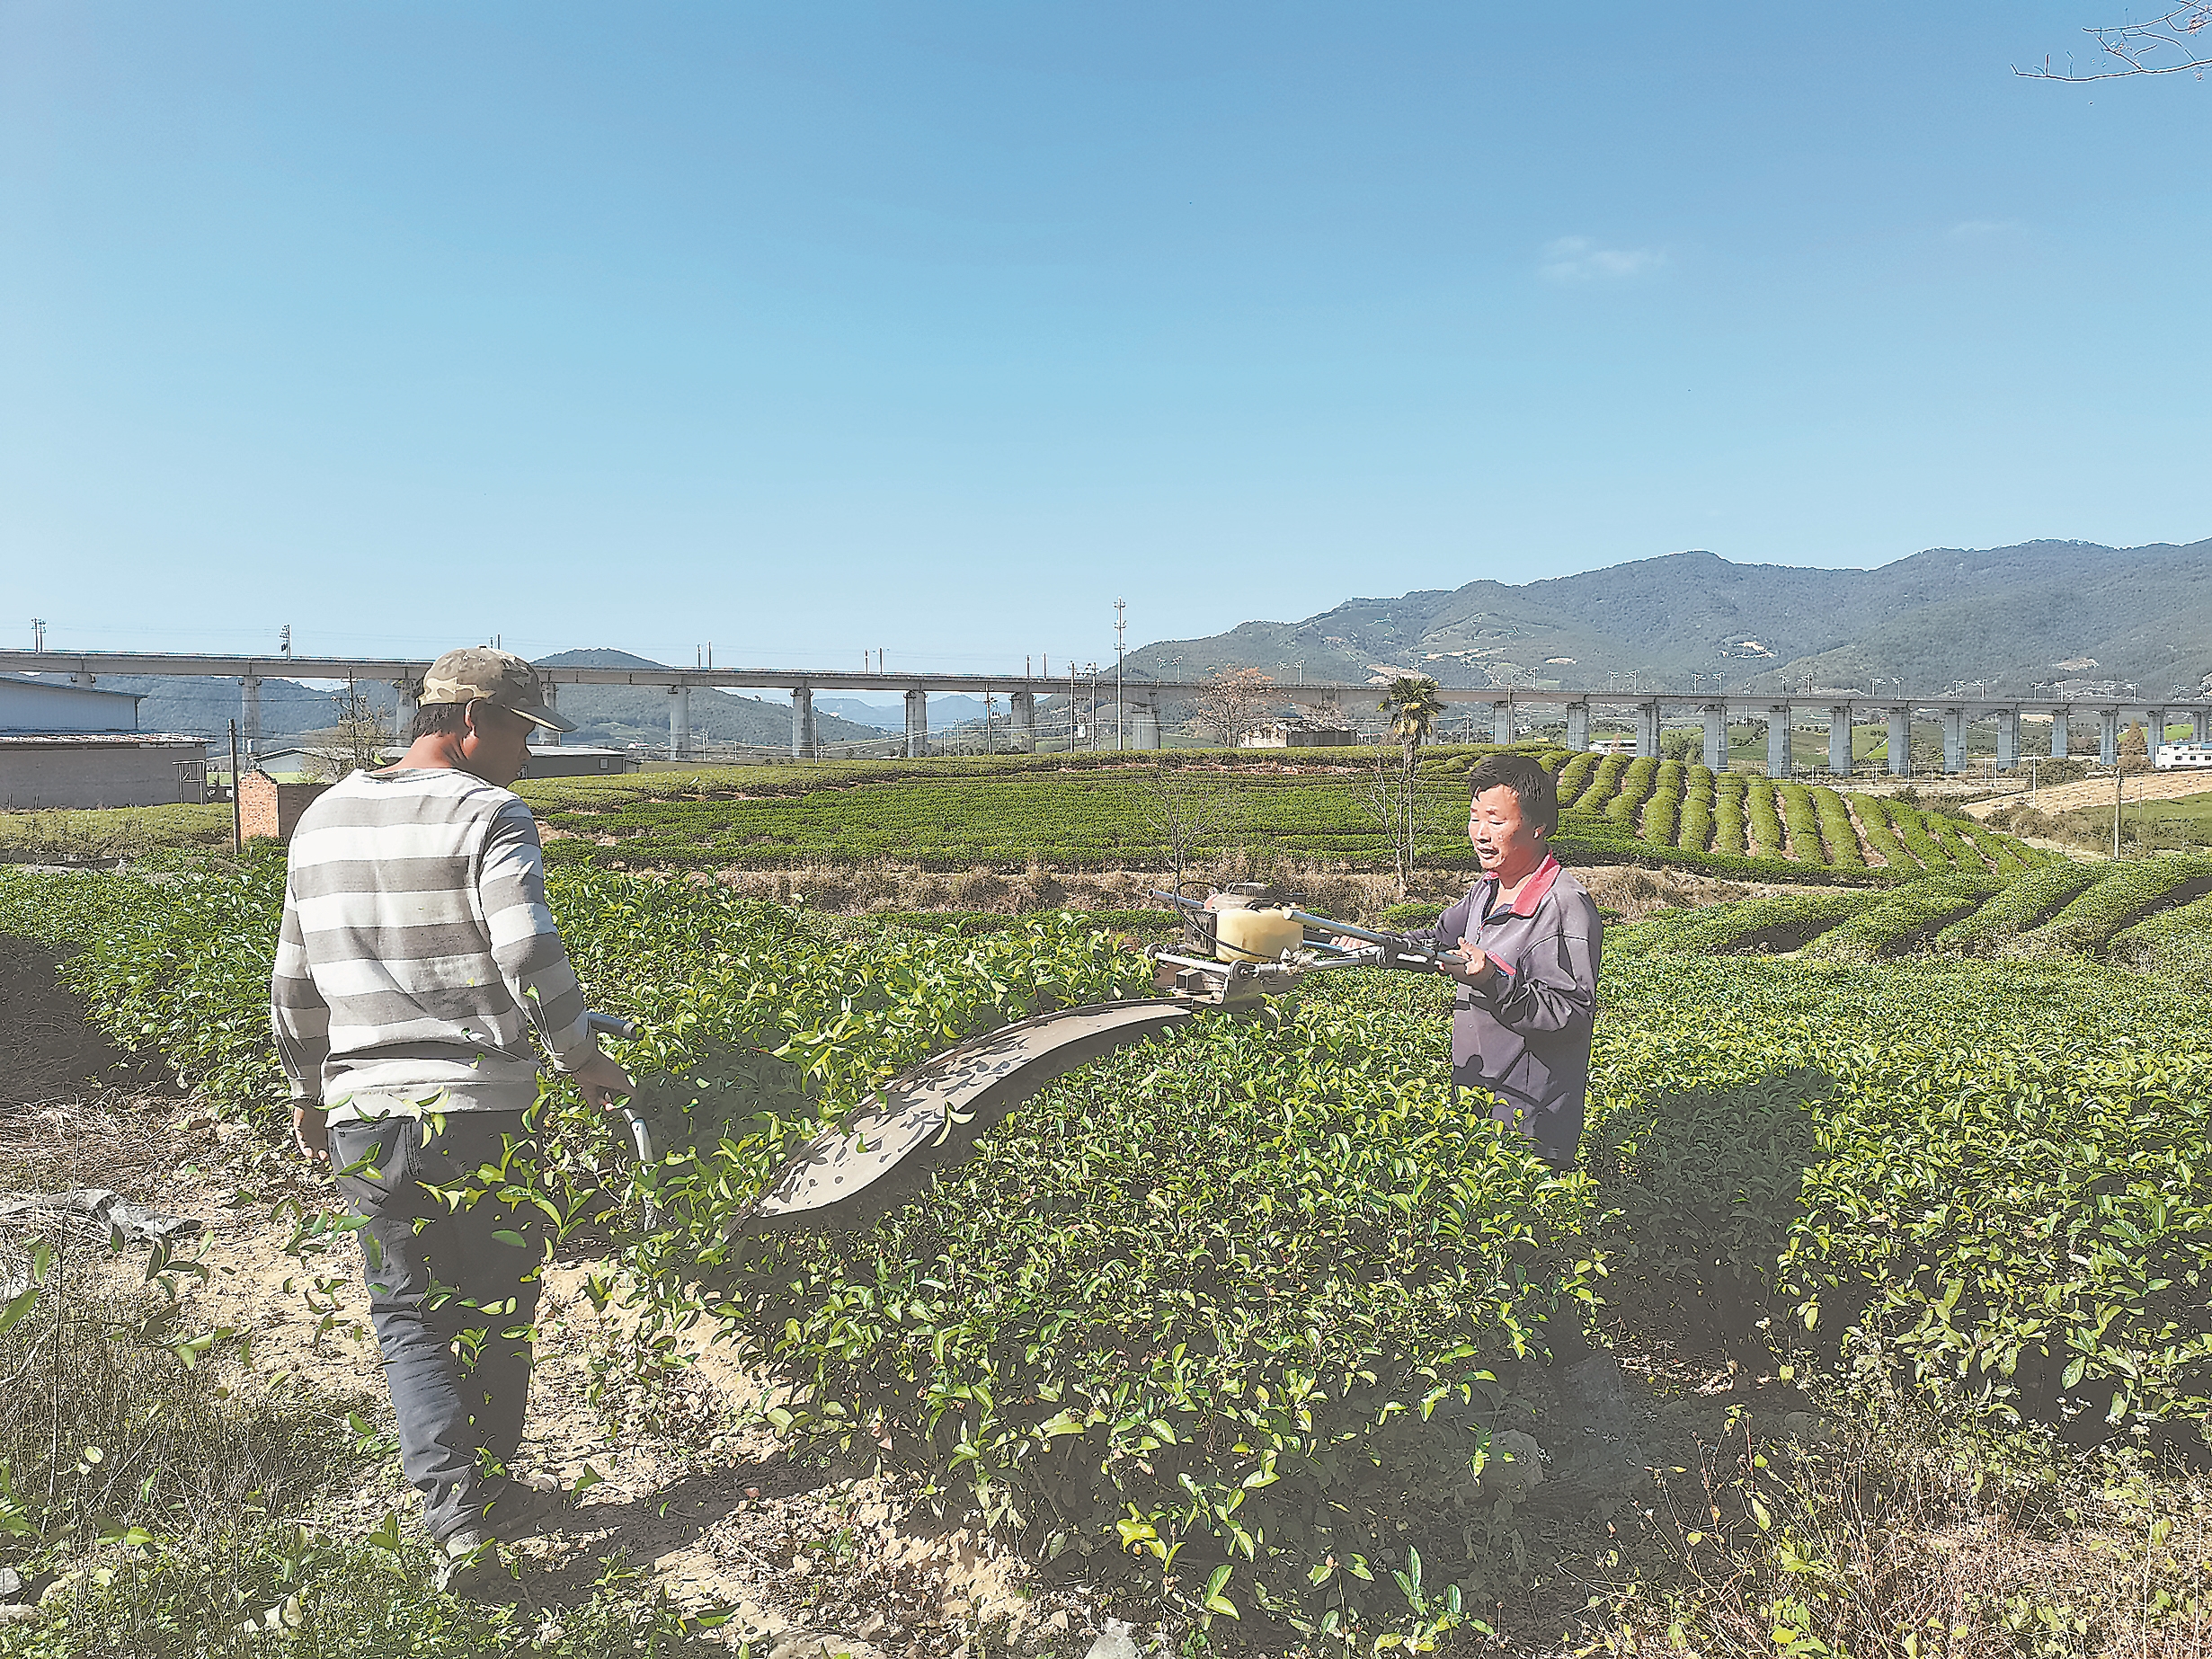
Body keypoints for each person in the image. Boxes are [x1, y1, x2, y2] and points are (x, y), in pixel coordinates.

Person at [271, 646, 635, 1590]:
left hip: (366, 1109)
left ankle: (457, 1521)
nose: (525, 754)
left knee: (407, 1313)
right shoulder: (487, 812)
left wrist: (308, 1095)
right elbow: (525, 943)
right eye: (519, 732)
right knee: (496, 1300)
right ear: (467, 721)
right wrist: (580, 1055)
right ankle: (492, 1493)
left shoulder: (322, 818)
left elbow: (295, 981)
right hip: (478, 1109)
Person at [1342, 751, 1603, 1169]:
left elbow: (1569, 1012)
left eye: (1496, 821)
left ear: (1538, 827)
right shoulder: (1488, 889)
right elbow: (1440, 940)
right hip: (1476, 1094)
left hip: (1530, 1116)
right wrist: (1377, 944)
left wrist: (1492, 979)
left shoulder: (1562, 904)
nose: (1480, 833)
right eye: (1475, 817)